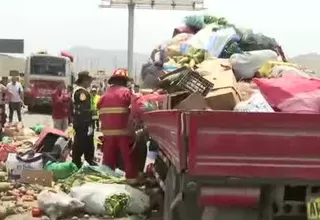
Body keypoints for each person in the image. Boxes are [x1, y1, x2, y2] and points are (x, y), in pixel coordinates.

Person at [97, 68, 138, 180]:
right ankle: (131, 179)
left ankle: (107, 179)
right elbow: (136, 107)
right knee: (128, 158)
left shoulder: (104, 95)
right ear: (124, 81)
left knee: (108, 159)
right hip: (123, 133)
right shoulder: (126, 93)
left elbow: (99, 110)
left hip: (108, 134)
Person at [72, 71, 95, 168]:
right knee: (83, 144)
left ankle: (84, 163)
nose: (90, 83)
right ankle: (80, 164)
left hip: (81, 123)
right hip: (83, 124)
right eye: (89, 80)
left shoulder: (80, 91)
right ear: (84, 80)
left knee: (83, 144)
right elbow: (83, 110)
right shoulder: (81, 92)